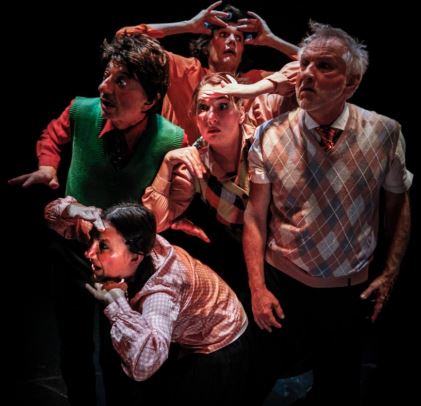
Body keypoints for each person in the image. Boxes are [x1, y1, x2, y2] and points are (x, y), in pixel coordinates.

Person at [9, 34, 187, 406]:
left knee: (117, 352)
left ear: (150, 99)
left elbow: (174, 197)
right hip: (72, 252)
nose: (105, 87)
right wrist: (47, 166)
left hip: (124, 265)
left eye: (122, 81)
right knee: (73, 345)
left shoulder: (172, 140)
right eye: (107, 75)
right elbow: (53, 135)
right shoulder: (81, 110)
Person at [243, 21, 413, 405]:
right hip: (283, 282)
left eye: (324, 66)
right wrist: (257, 288)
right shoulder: (269, 134)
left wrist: (389, 274)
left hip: (347, 293)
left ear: (351, 83)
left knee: (338, 388)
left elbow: (398, 205)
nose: (307, 74)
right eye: (304, 63)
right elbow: (254, 215)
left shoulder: (385, 133)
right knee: (258, 380)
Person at [45, 200, 251, 406]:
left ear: (135, 258)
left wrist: (117, 304)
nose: (89, 253)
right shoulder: (113, 232)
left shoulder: (162, 291)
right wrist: (74, 210)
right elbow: (52, 216)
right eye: (93, 240)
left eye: (103, 247)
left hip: (220, 343)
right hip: (188, 331)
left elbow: (145, 364)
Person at [117, 1, 298, 143]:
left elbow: (311, 68)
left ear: (243, 50)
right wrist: (187, 25)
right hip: (183, 168)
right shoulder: (186, 71)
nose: (232, 41)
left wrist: (272, 40)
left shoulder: (256, 81)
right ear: (207, 45)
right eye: (223, 35)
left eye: (238, 38)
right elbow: (125, 40)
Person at [142, 72, 251, 295]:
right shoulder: (194, 164)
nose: (211, 118)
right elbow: (155, 223)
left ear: (241, 113)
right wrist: (167, 163)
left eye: (223, 106)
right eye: (203, 107)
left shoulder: (265, 144)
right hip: (238, 258)